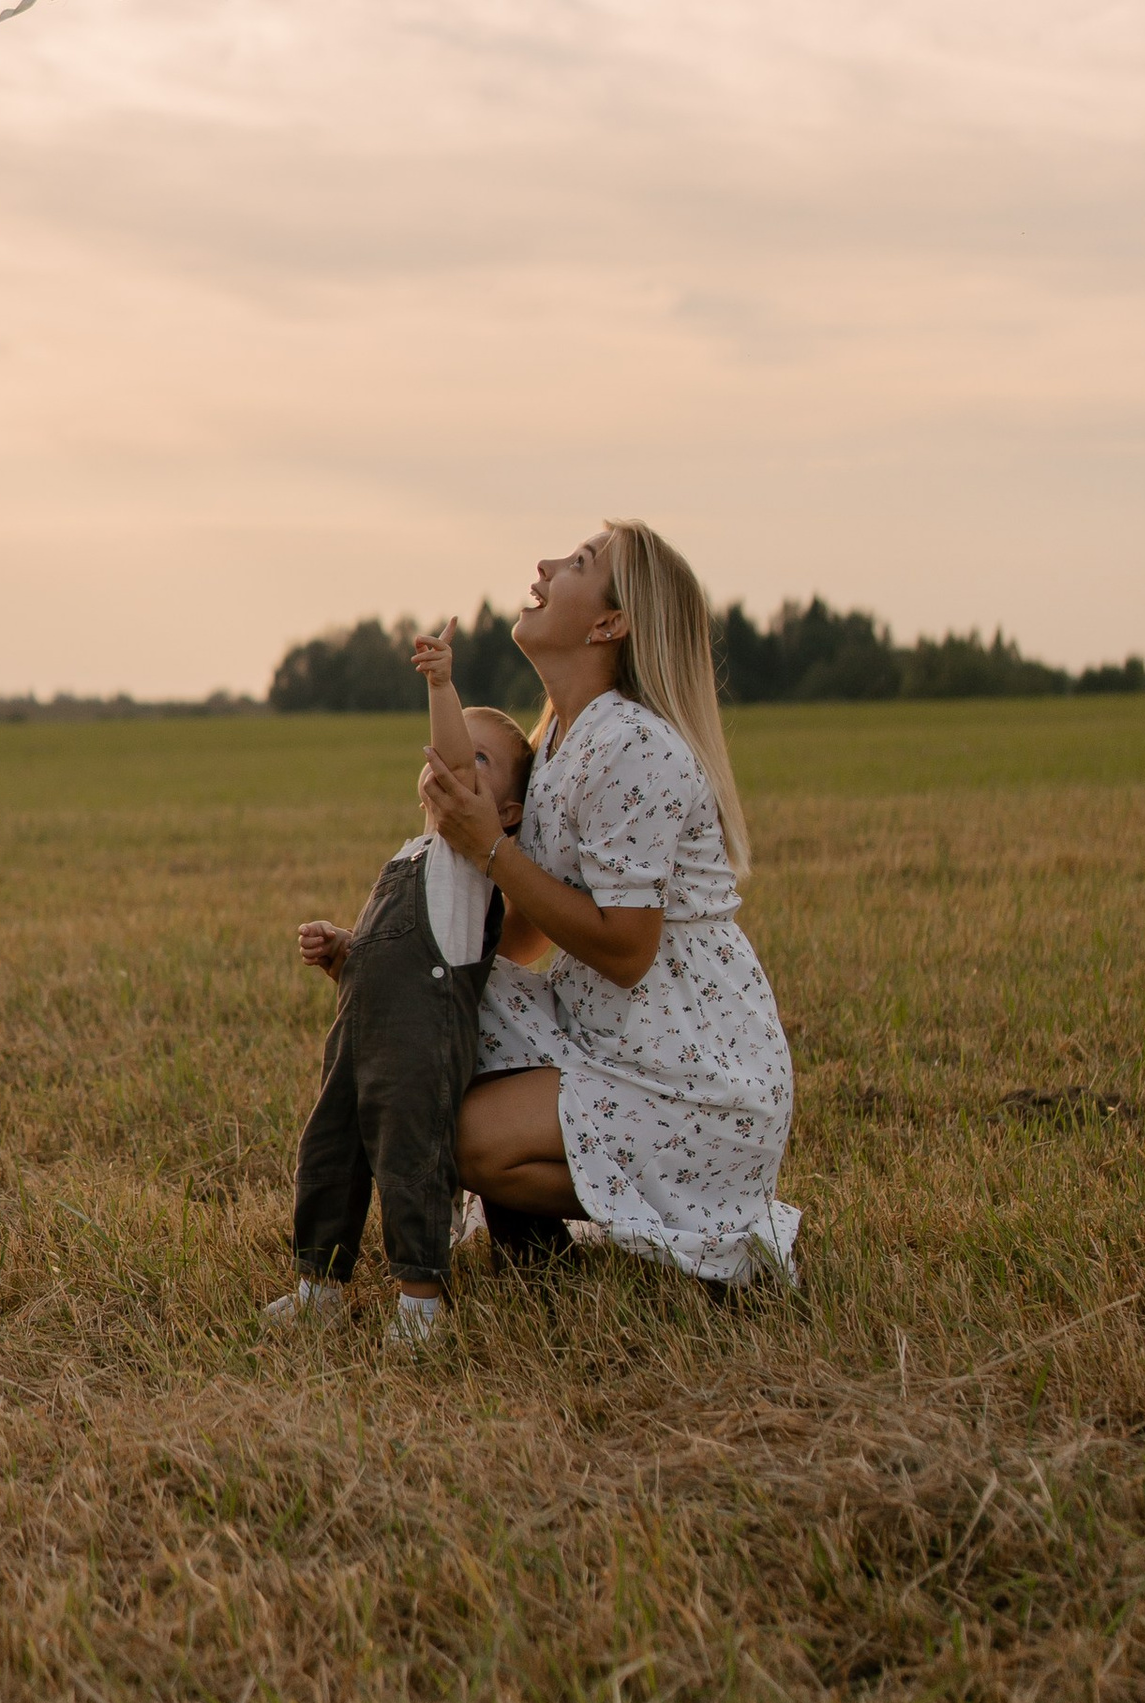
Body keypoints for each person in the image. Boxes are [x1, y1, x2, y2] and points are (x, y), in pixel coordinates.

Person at [422, 522, 801, 1289]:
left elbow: (627, 952)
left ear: (609, 624)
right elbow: (531, 939)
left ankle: (705, 1220)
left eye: (578, 563)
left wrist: (491, 849)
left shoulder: (633, 745)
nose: (545, 565)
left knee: (470, 1142)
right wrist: (399, 951)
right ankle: (548, 1257)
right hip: (612, 1036)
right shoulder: (561, 736)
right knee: (437, 1034)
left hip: (692, 1070)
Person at [263, 631, 538, 1349]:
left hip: (422, 1046)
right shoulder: (411, 854)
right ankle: (318, 1285)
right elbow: (391, 951)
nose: (448, 761)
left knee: (413, 1163)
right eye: (453, 750)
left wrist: (441, 685)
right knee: (329, 1156)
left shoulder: (467, 860)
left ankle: (421, 1301)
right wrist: (342, 952)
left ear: (504, 814)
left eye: (479, 761)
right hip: (359, 1036)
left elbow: (447, 760)